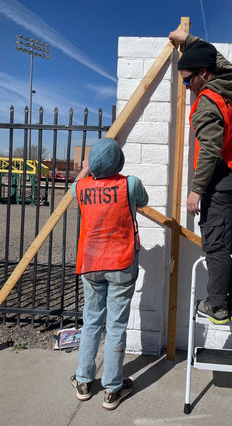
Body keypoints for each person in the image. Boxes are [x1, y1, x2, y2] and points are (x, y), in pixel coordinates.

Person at [169, 28, 232, 325]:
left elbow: (210, 149)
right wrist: (186, 40)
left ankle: (217, 306)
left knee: (217, 243)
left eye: (187, 79)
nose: (185, 86)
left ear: (204, 74)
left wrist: (196, 190)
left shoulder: (207, 103)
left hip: (221, 179)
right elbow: (216, 56)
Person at [70, 137, 148, 410]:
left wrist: (85, 168)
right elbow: (143, 200)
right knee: (116, 326)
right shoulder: (130, 184)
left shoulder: (81, 188)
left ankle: (83, 382)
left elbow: (74, 185)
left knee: (91, 322)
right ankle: (113, 389)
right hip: (122, 263)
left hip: (91, 264)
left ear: (92, 164)